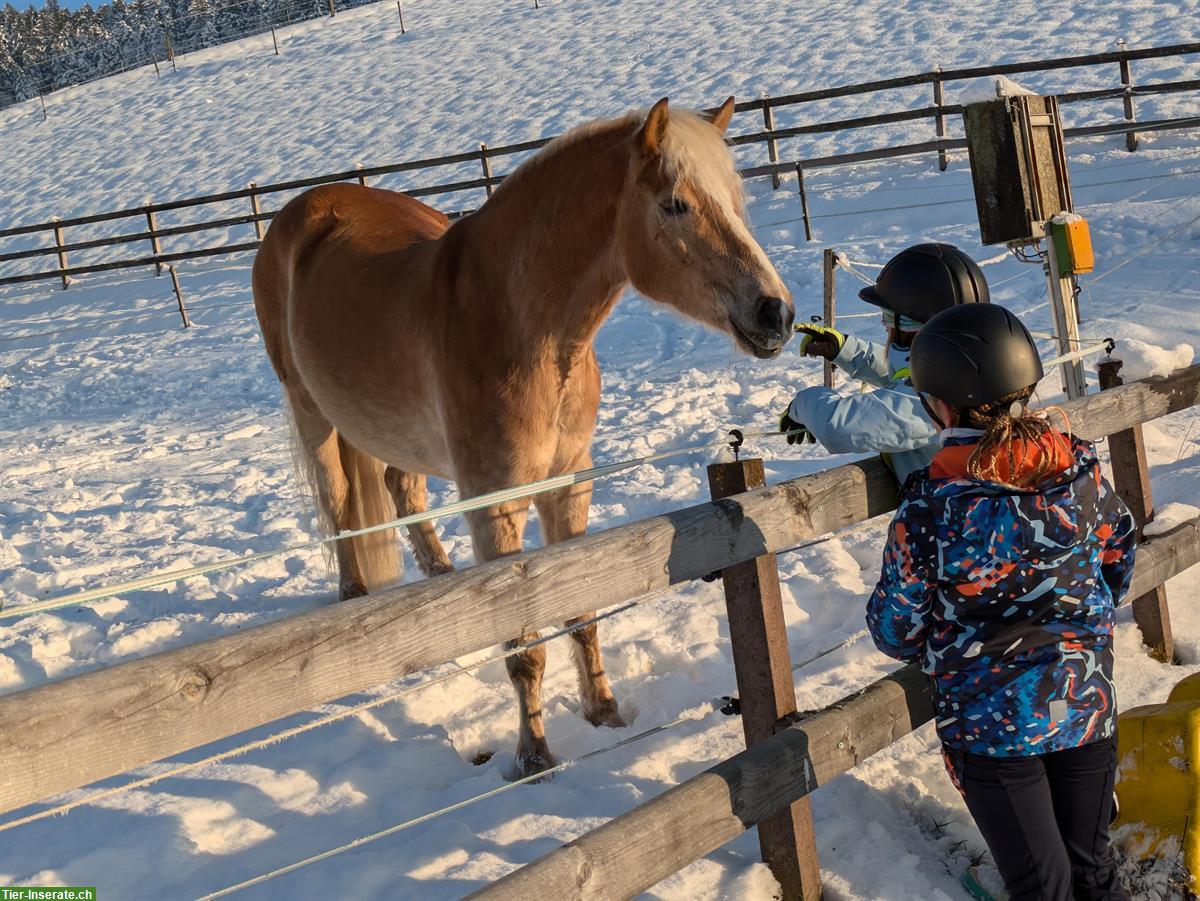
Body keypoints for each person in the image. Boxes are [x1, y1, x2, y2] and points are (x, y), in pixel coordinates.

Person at [866, 302, 1136, 901]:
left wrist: (945, 638)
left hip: (994, 726)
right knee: (1094, 869)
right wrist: (1078, 620)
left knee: (1043, 886)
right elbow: (1119, 551)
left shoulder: (931, 509)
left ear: (939, 404)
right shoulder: (1079, 472)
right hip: (1083, 701)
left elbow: (894, 629)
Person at [779, 243, 990, 484]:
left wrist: (802, 405)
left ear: (912, 324)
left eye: (888, 316)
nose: (885, 325)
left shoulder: (937, 397)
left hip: (948, 519)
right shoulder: (975, 367)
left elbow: (838, 427)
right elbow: (906, 376)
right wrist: (846, 349)